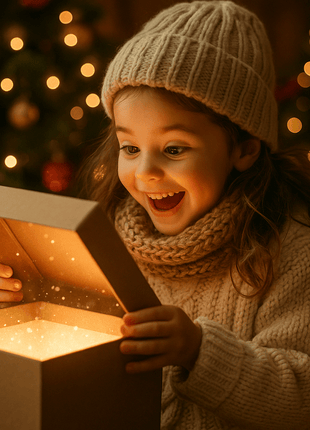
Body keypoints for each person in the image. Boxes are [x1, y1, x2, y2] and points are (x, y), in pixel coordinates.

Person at [1, 1, 310, 429]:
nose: (145, 173)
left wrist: (200, 351)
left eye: (174, 149)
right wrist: (17, 294)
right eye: (130, 148)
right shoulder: (106, 239)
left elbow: (300, 397)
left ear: (243, 149)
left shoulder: (289, 252)